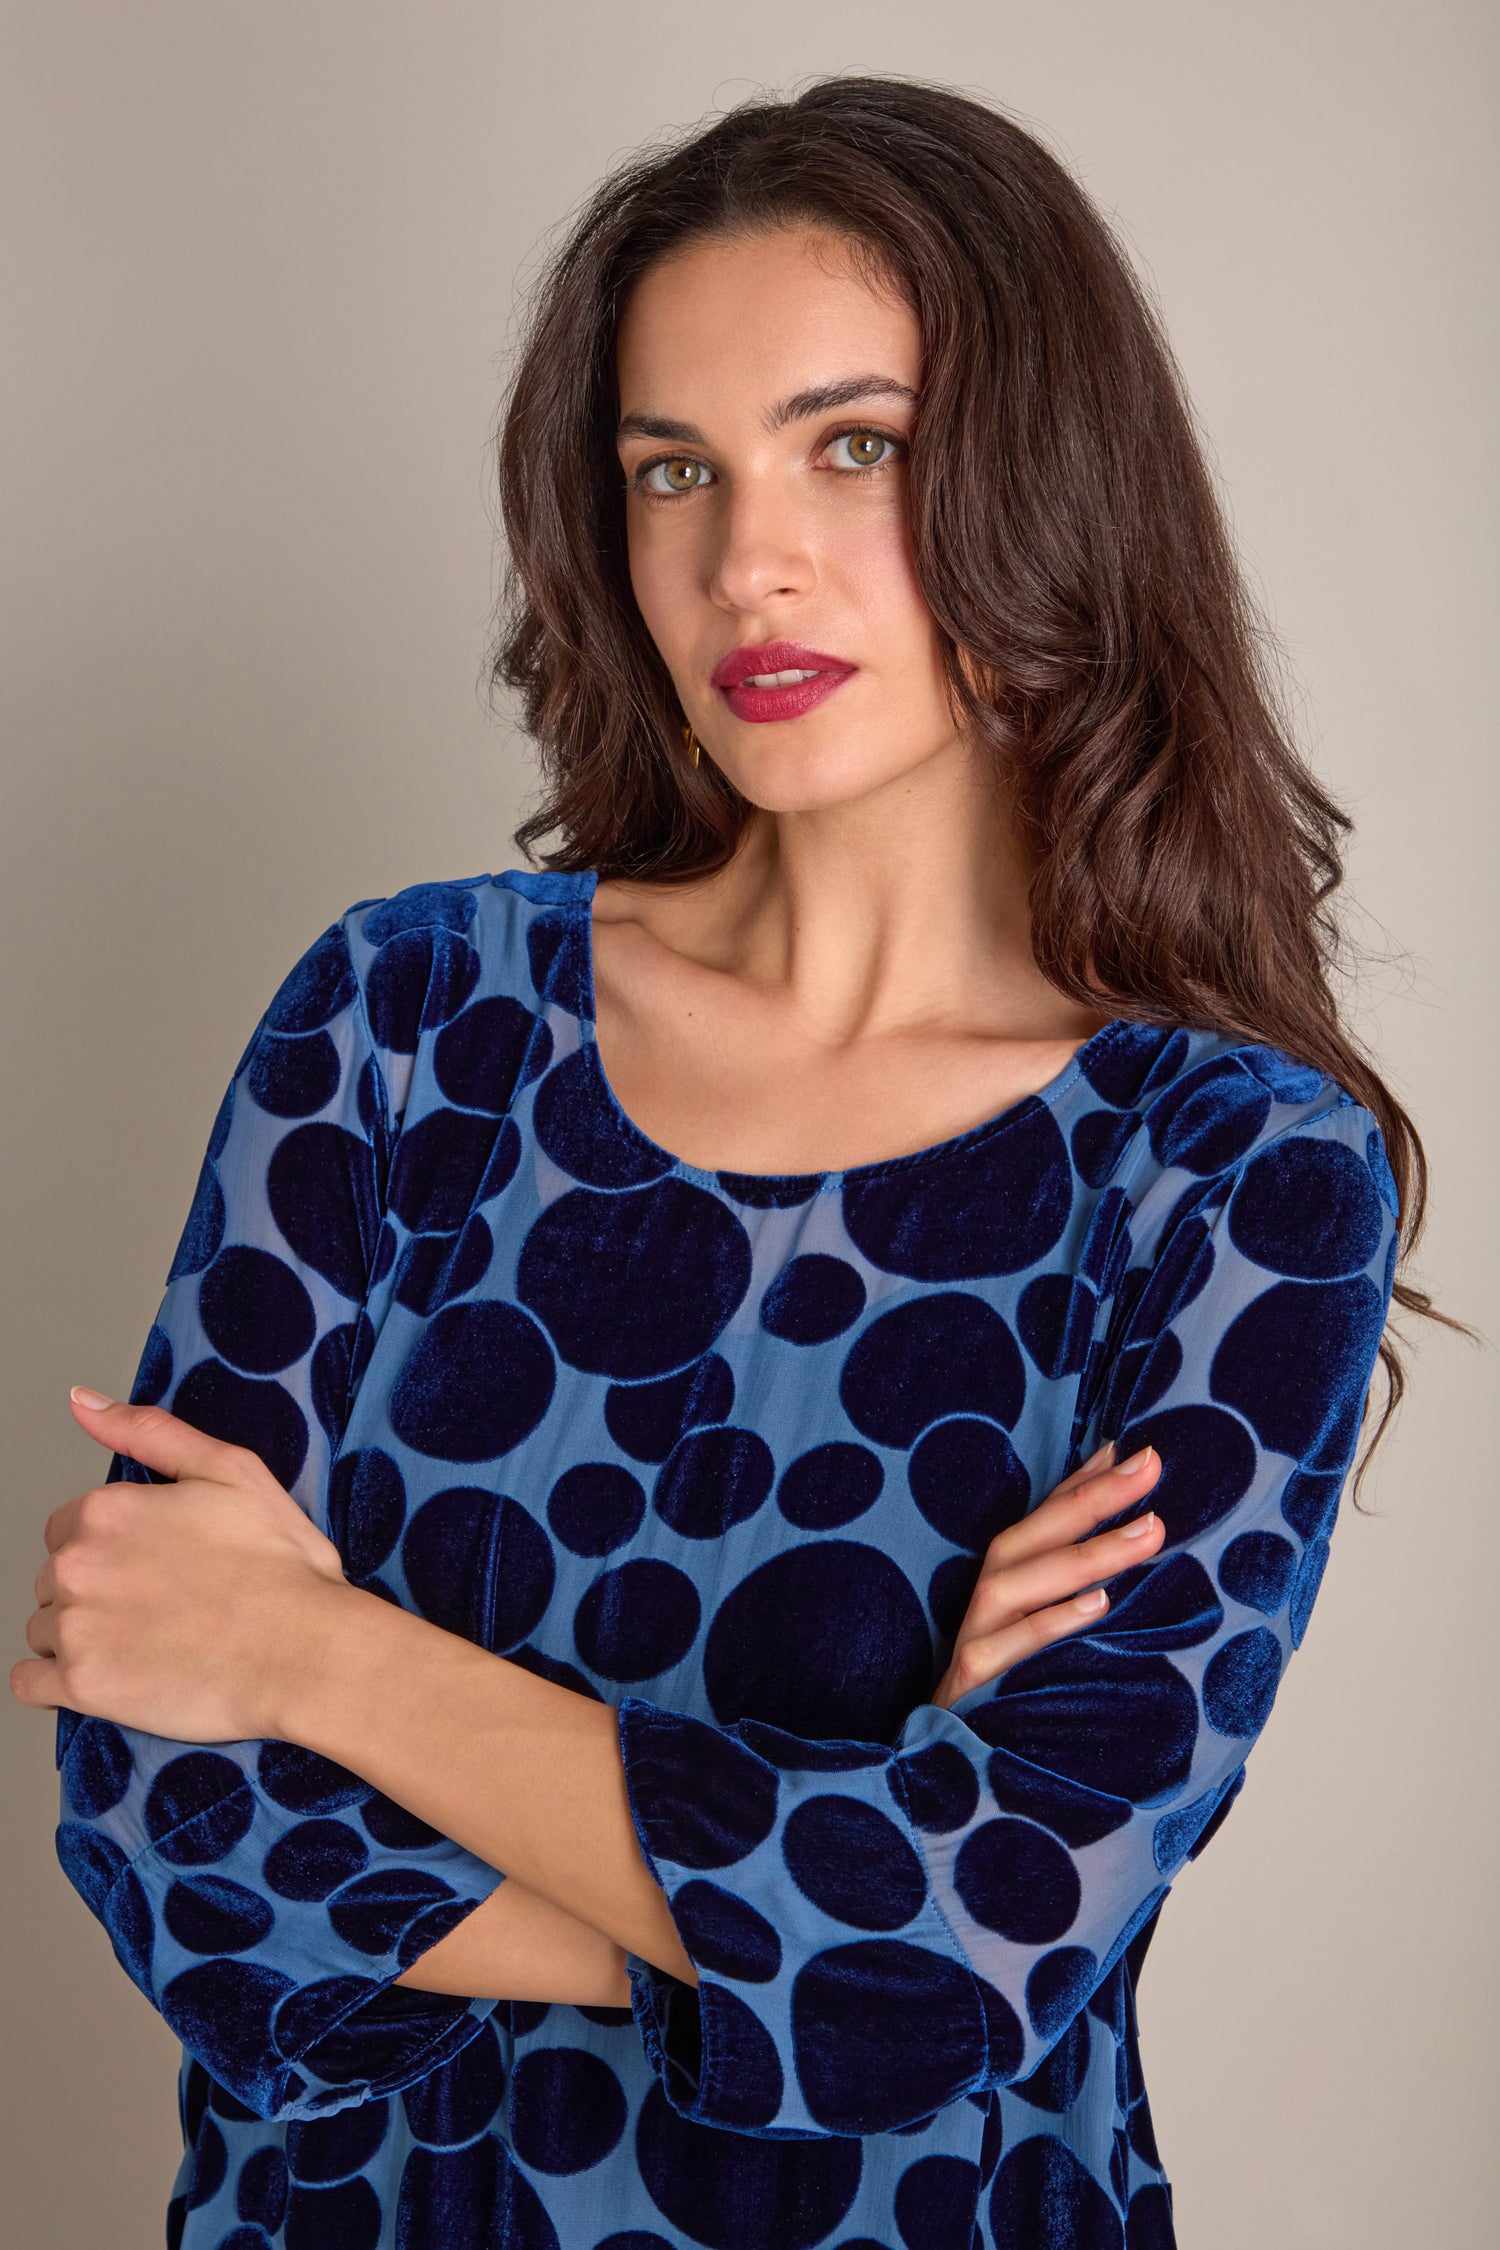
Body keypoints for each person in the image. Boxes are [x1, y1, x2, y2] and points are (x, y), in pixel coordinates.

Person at [11, 75, 1436, 2250]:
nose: (739, 558)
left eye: (849, 446)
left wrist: (314, 1664)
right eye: (672, 469)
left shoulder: (1232, 1180)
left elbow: (970, 1951)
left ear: (1043, 474)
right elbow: (165, 1814)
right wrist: (808, 1887)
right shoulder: (407, 1027)